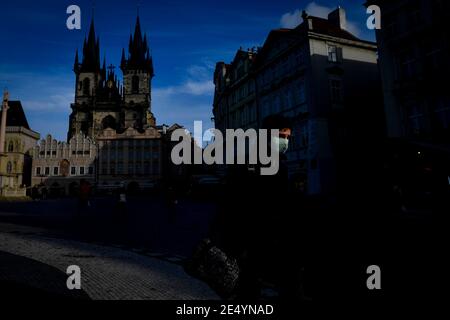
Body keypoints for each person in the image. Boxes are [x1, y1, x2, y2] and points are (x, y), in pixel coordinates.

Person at [212, 115, 305, 302]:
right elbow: (231, 207)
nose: (285, 142)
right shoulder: (246, 165)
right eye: (281, 136)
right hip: (251, 243)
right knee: (248, 289)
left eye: (288, 137)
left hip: (276, 242)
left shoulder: (281, 164)